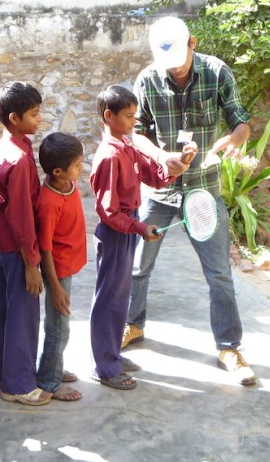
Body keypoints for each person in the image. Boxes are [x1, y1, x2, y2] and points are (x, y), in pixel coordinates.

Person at [123, 16, 257, 386]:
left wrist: (236, 139)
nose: (176, 69)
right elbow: (136, 132)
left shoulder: (217, 72)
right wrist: (160, 156)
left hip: (204, 189)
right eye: (169, 64)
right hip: (160, 189)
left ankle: (230, 347)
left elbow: (240, 120)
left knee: (218, 273)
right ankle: (132, 325)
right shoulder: (148, 79)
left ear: (193, 43)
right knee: (137, 266)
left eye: (181, 61)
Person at [89, 85, 196, 390]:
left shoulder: (127, 145)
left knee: (121, 299)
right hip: (115, 232)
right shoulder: (109, 156)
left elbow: (154, 177)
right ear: (109, 117)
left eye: (135, 116)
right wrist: (140, 228)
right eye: (129, 116)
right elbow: (108, 211)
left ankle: (111, 354)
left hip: (129, 226)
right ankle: (104, 367)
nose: (134, 122)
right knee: (108, 300)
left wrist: (181, 165)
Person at [0, 81, 52, 406]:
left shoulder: (11, 147)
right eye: (34, 114)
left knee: (8, 310)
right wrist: (32, 263)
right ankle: (19, 385)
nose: (39, 119)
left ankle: (0, 372)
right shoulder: (19, 159)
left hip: (8, 248)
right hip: (20, 250)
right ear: (15, 118)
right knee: (25, 315)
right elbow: (22, 215)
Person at [35, 132, 86, 402]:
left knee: (60, 325)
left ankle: (52, 367)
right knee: (58, 327)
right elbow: (45, 249)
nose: (81, 168)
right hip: (59, 271)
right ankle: (49, 382)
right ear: (57, 171)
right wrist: (54, 287)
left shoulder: (68, 184)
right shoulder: (49, 202)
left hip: (69, 265)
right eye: (77, 165)